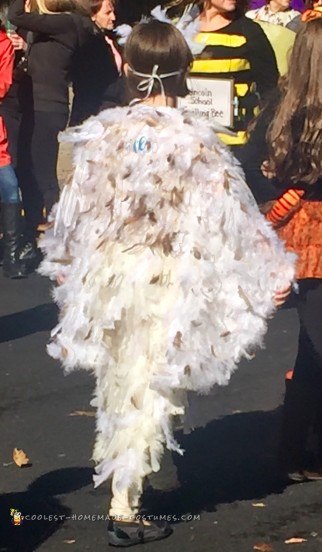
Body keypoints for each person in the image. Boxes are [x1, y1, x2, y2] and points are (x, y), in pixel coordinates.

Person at [39, 19, 294, 547]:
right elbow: (231, 217)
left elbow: (73, 211)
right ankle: (124, 508)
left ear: (128, 70)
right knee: (150, 388)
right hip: (162, 278)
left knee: (120, 379)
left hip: (110, 277)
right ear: (185, 74)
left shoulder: (103, 132)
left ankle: (119, 480)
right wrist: (272, 269)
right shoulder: (195, 143)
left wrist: (69, 265)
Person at [246, 19, 322, 481]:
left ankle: (298, 447)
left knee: (310, 343)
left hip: (289, 232)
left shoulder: (277, 106)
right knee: (315, 345)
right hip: (315, 236)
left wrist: (281, 193)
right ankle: (299, 450)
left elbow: (249, 166)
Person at [7, 0, 93, 238]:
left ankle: (54, 228)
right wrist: (26, 47)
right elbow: (45, 60)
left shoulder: (67, 22)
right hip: (35, 104)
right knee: (27, 167)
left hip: (48, 107)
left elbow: (16, 16)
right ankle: (34, 223)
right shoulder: (57, 27)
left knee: (43, 170)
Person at [167, 0, 279, 148]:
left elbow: (271, 90)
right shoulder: (179, 28)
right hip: (186, 143)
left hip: (235, 146)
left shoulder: (250, 32)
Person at [69, 0, 124, 126]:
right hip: (92, 112)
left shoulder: (112, 40)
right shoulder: (88, 44)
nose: (113, 17)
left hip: (112, 108)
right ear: (93, 16)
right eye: (107, 13)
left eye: (113, 12)